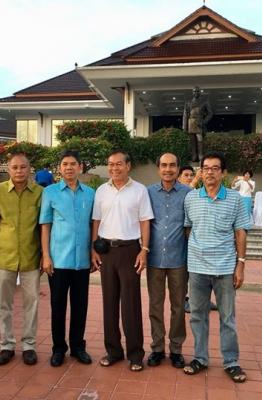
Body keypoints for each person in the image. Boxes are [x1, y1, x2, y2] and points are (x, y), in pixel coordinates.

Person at [183, 151, 251, 383]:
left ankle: (231, 361)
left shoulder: (235, 199)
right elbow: (188, 229)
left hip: (225, 268)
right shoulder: (191, 198)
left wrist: (240, 265)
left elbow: (240, 232)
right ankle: (200, 358)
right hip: (197, 268)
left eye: (215, 168)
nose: (209, 172)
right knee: (197, 316)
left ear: (223, 172)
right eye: (205, 168)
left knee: (227, 318)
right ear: (201, 172)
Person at [91, 149, 153, 372]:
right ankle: (113, 351)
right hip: (106, 251)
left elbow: (145, 221)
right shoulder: (101, 190)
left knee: (131, 304)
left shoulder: (140, 190)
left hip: (130, 251)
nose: (114, 168)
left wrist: (144, 250)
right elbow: (96, 221)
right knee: (109, 303)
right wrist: (94, 249)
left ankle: (135, 354)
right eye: (110, 164)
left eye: (118, 164)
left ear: (128, 166)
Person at [0, 153, 43, 366]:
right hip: (4, 257)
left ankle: (29, 345)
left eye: (23, 167)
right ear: (8, 170)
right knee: (3, 304)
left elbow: (43, 227)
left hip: (31, 256)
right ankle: (6, 345)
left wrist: (44, 256)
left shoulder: (40, 193)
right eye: (15, 167)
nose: (19, 171)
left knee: (31, 303)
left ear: (29, 169)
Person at [40, 150, 95, 367]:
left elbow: (93, 225)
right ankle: (58, 349)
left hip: (82, 261)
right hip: (58, 260)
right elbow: (45, 225)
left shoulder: (90, 193)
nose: (69, 167)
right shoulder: (50, 192)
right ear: (60, 168)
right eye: (65, 164)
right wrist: (46, 256)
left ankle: (78, 347)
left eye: (73, 164)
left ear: (80, 167)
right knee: (58, 306)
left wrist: (93, 252)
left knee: (80, 306)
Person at [146, 153, 191, 369]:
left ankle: (176, 349)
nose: (168, 169)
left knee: (178, 307)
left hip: (179, 259)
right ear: (158, 169)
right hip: (154, 258)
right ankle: (157, 348)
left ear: (178, 168)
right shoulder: (148, 193)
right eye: (164, 165)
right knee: (155, 306)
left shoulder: (188, 194)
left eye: (172, 165)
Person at [178, 166, 217, 314]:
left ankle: (203, 299)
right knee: (184, 274)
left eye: (191, 175)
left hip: (198, 239)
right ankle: (183, 301)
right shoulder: (180, 192)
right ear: (179, 178)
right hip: (182, 239)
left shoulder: (197, 192)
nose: (189, 178)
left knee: (203, 273)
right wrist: (195, 180)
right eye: (186, 175)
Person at [182, 86, 213, 162]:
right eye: (194, 91)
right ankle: (194, 155)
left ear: (200, 92)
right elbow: (185, 115)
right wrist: (184, 127)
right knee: (192, 141)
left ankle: (200, 155)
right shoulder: (188, 103)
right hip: (190, 123)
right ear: (192, 92)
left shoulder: (205, 102)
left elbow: (210, 114)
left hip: (199, 123)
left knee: (200, 140)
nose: (196, 92)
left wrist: (203, 122)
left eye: (197, 91)